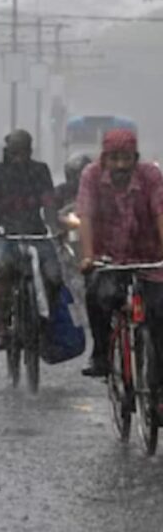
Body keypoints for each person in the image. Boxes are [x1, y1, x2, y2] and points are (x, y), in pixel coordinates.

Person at [76, 128, 163, 377]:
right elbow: (86, 216)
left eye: (126, 158)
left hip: (150, 259)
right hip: (108, 259)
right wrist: (88, 256)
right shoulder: (91, 176)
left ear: (135, 159)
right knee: (97, 295)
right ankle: (101, 355)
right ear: (104, 159)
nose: (120, 165)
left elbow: (160, 213)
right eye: (114, 158)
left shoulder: (151, 176)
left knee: (159, 316)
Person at [0, 129, 62, 349]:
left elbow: (49, 204)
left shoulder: (40, 171)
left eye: (22, 153)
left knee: (54, 277)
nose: (18, 158)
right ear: (7, 152)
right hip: (5, 236)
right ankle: (3, 327)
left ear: (30, 152)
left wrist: (54, 229)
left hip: (37, 235)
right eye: (14, 153)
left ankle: (48, 325)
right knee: (3, 271)